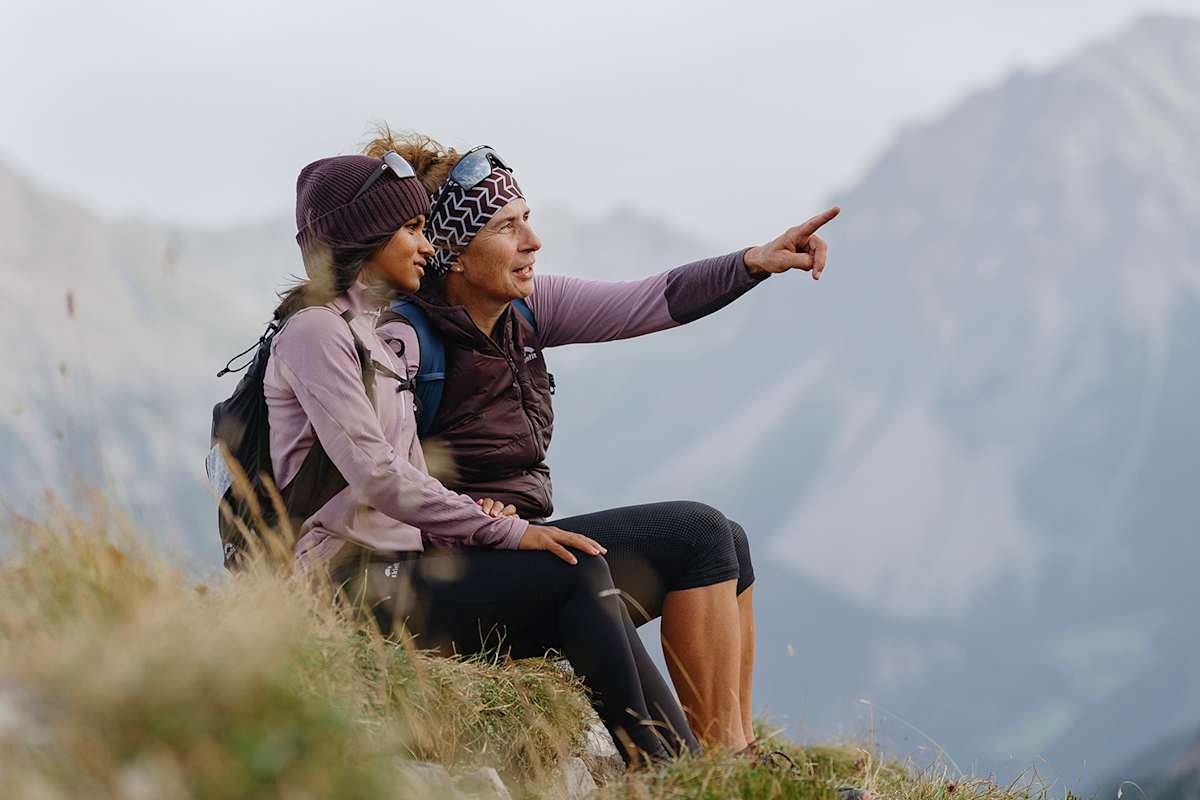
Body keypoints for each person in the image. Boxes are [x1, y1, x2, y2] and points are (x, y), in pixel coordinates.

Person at [366, 130, 839, 753]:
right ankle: (722, 763)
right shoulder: (404, 341)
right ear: (453, 253)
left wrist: (753, 261)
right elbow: (375, 481)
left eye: (527, 218)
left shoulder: (525, 310)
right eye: (507, 227)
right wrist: (472, 517)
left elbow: (648, 301)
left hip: (519, 550)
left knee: (730, 541)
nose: (532, 240)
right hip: (455, 572)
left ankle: (735, 747)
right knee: (697, 535)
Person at [260, 150, 697, 765]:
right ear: (367, 238)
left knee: (581, 568)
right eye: (412, 229)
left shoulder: (365, 332)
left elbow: (404, 469)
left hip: (404, 568)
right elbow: (379, 476)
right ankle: (659, 768)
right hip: (345, 584)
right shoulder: (316, 332)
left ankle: (682, 767)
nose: (426, 245)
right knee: (570, 572)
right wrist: (507, 532)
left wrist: (476, 517)